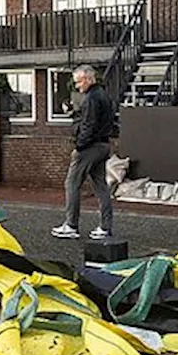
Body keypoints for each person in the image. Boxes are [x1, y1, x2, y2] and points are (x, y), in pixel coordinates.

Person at [52, 65, 117, 240]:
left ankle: (71, 225)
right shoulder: (104, 96)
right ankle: (105, 227)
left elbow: (89, 125)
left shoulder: (91, 99)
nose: (77, 86)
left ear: (88, 79)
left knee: (72, 184)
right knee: (101, 187)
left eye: (79, 82)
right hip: (103, 145)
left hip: (89, 147)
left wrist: (79, 146)